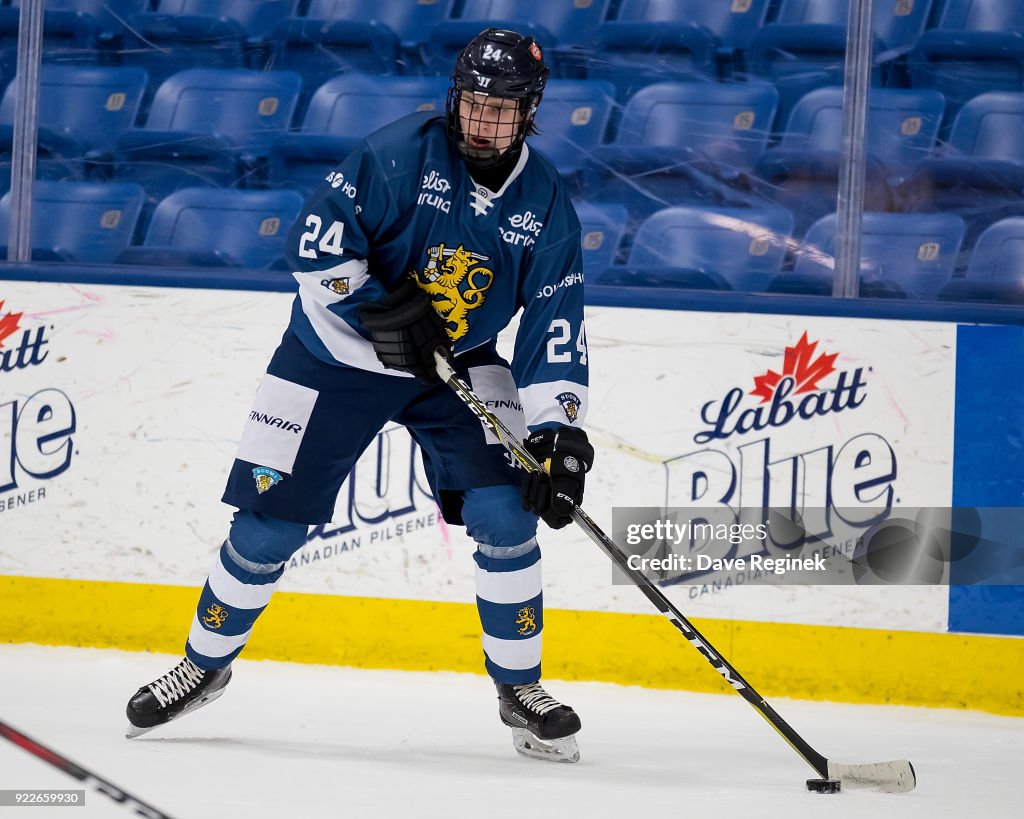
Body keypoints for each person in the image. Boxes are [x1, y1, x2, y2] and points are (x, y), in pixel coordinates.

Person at [124, 28, 593, 764]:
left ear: (530, 112)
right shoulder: (395, 153)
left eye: (502, 110)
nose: (483, 121)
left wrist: (560, 434)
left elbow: (556, 315)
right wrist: (378, 306)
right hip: (331, 353)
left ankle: (521, 688)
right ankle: (203, 664)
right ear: (454, 97)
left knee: (510, 510)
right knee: (268, 526)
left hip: (458, 363)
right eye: (473, 103)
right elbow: (314, 245)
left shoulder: (544, 199)